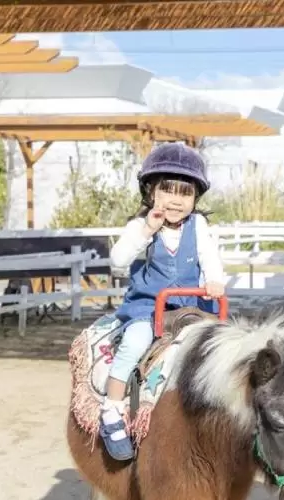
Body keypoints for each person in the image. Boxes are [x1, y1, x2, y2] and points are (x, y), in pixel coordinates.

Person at [98, 143, 226, 462]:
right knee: (135, 342)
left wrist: (214, 279)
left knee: (218, 348)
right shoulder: (140, 227)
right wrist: (146, 230)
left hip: (188, 307)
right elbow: (117, 260)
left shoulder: (198, 227)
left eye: (185, 193)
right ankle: (112, 408)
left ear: (195, 198)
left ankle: (215, 412)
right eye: (167, 190)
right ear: (151, 191)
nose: (175, 200)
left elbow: (210, 256)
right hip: (149, 306)